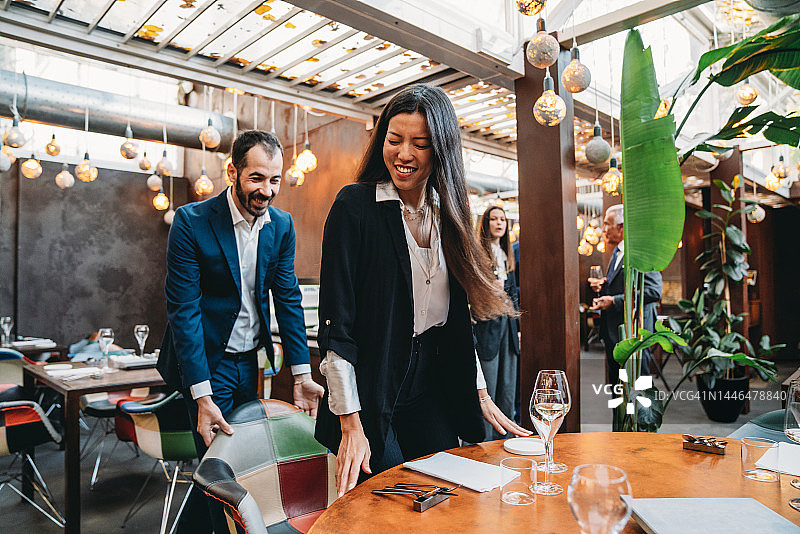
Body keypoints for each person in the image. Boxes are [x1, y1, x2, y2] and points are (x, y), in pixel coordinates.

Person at [314, 84, 530, 498]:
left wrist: (478, 388)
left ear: (442, 149)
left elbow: (456, 318)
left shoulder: (451, 212)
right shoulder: (355, 206)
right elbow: (336, 328)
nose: (404, 154)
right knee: (391, 500)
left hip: (433, 380)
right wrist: (350, 422)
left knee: (447, 493)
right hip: (373, 383)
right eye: (394, 140)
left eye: (421, 144)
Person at [158, 130, 324, 533]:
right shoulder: (191, 221)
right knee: (219, 473)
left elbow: (287, 299)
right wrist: (201, 394)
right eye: (256, 179)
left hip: (250, 362)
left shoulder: (281, 226)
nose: (266, 191)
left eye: (274, 180)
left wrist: (301, 374)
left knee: (246, 467)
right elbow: (184, 311)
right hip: (204, 365)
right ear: (232, 171)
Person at [589, 204, 662, 384]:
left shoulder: (640, 252)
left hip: (634, 333)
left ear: (621, 227)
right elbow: (623, 285)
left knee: (637, 389)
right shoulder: (617, 252)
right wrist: (604, 287)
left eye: (607, 224)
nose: (603, 229)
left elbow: (653, 290)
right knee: (618, 390)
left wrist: (614, 300)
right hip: (614, 333)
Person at [473, 206, 520, 439]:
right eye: (494, 219)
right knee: (488, 388)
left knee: (507, 388)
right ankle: (484, 445)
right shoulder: (478, 253)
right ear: (485, 223)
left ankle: (507, 442)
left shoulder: (507, 254)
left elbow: (514, 296)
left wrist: (518, 330)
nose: (499, 223)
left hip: (508, 327)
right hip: (486, 325)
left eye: (502, 219)